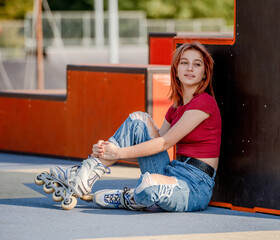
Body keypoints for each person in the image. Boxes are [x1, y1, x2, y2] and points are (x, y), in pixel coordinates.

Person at [50, 41, 221, 212]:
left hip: (194, 185)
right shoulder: (175, 108)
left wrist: (117, 153)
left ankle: (128, 197)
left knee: (148, 185)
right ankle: (86, 173)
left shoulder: (205, 103)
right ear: (176, 70)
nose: (190, 68)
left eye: (197, 64)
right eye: (184, 62)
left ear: (205, 74)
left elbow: (163, 143)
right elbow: (151, 149)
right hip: (170, 171)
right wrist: (106, 153)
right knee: (138, 120)